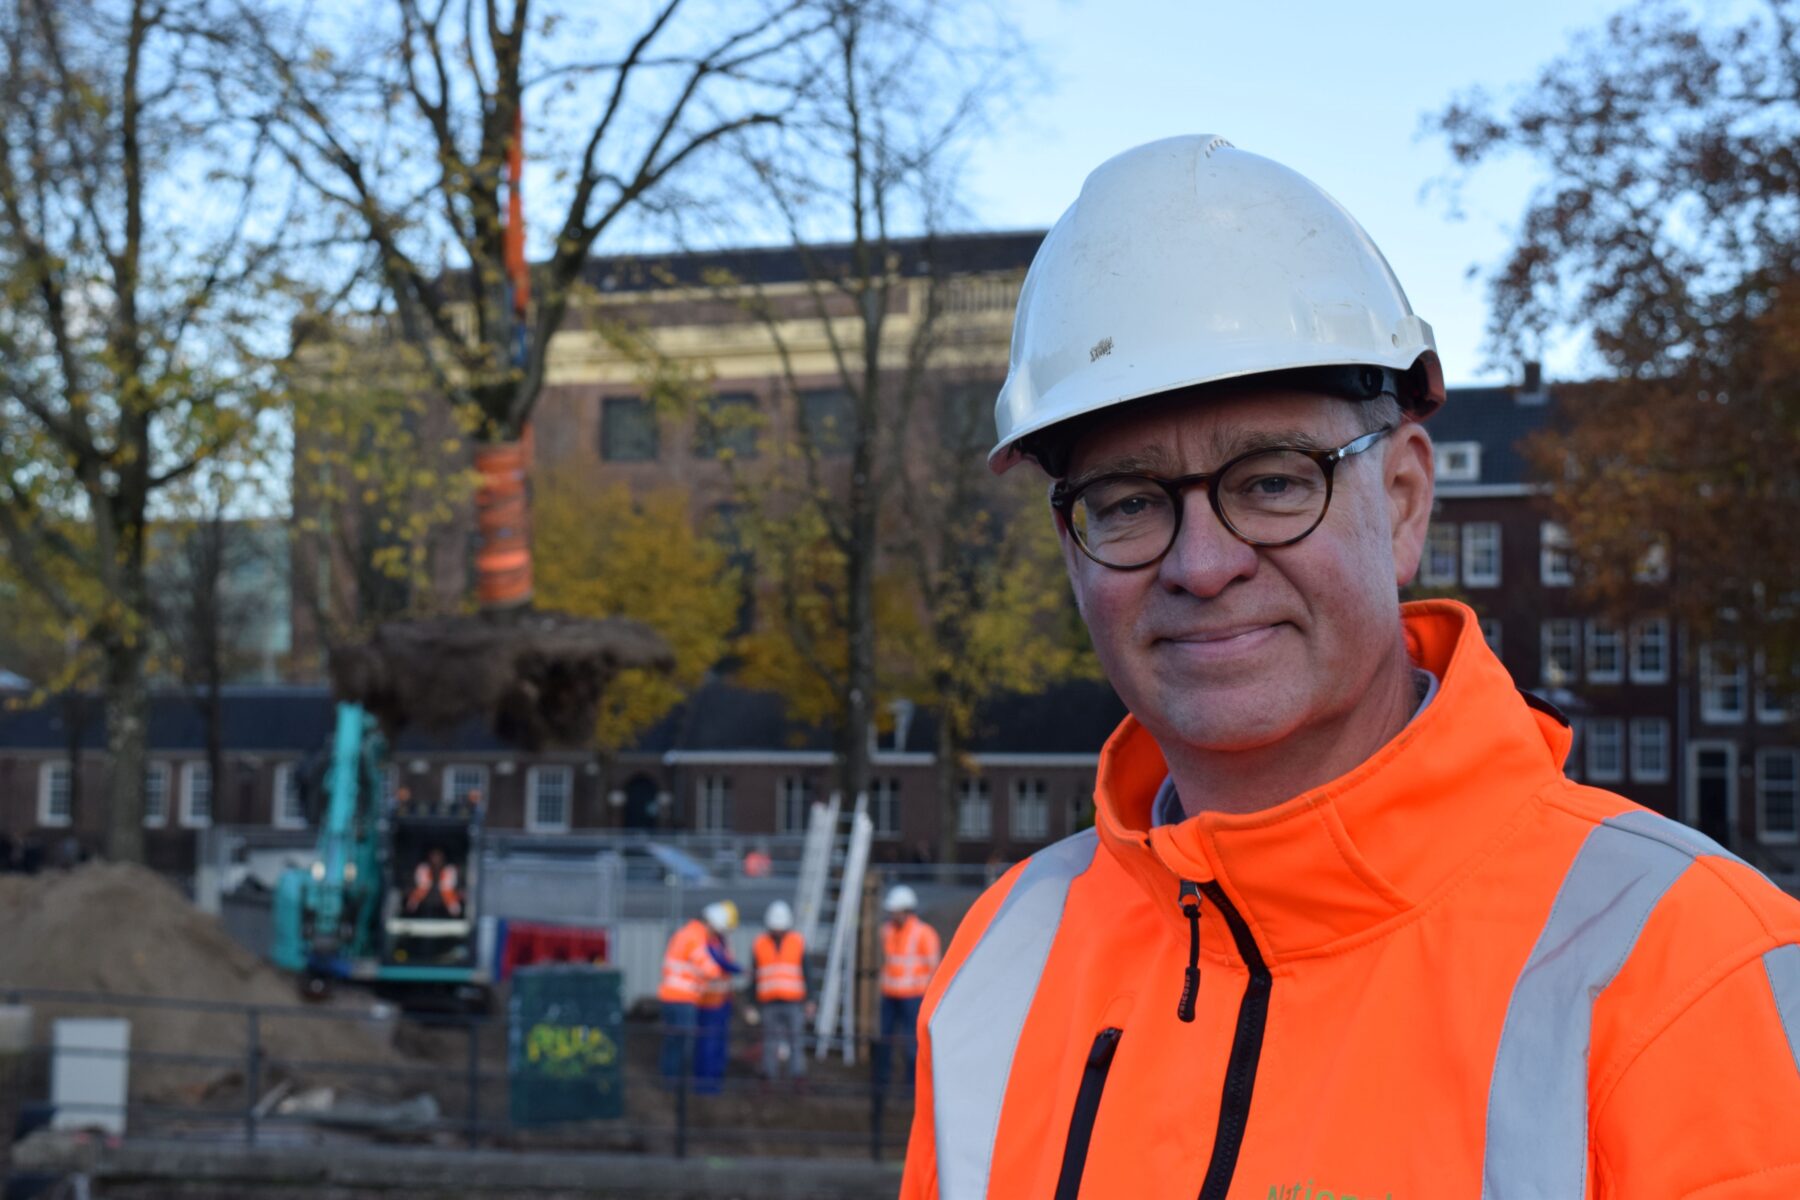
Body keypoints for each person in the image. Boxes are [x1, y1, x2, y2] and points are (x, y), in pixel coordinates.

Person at [899, 135, 1800, 1199]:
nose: (1203, 563)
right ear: (1070, 546)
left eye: (1275, 483)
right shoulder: (997, 968)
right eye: (1130, 502)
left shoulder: (1689, 968)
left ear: (1406, 501)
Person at [658, 900, 739, 1088]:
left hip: (670, 996)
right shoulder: (695, 936)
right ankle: (674, 1086)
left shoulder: (685, 933)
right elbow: (706, 966)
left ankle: (669, 1082)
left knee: (673, 1042)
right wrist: (724, 970)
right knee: (682, 1043)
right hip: (683, 999)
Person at [875, 884, 939, 1096]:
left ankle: (911, 1085)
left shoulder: (924, 934)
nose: (892, 915)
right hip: (890, 995)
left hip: (913, 996)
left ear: (907, 910)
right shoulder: (887, 931)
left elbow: (934, 967)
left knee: (912, 1042)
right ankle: (882, 1080)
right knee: (885, 1039)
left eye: (896, 911)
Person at [751, 899, 807, 1086]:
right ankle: (768, 1076)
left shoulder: (797, 942)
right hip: (769, 1001)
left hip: (793, 1001)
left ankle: (797, 1076)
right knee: (769, 1042)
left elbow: (807, 971)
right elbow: (755, 974)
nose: (777, 931)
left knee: (795, 1041)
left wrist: (810, 999)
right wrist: (752, 1002)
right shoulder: (760, 943)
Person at [404, 846, 461, 917]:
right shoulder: (423, 869)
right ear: (429, 857)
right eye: (433, 856)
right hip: (422, 908)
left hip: (445, 909)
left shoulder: (450, 870)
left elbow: (451, 891)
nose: (436, 859)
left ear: (443, 857)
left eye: (438, 856)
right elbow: (417, 889)